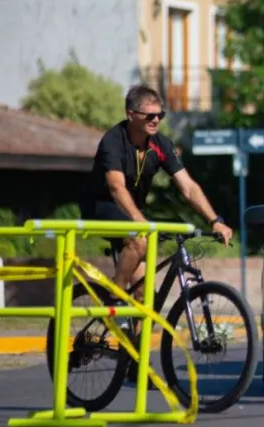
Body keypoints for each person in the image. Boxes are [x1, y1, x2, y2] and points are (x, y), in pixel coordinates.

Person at [80, 85, 233, 378]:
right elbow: (115, 188)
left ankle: (135, 361)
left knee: (145, 294)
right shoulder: (113, 141)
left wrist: (215, 219)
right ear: (131, 114)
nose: (155, 120)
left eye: (159, 115)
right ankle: (113, 297)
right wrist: (141, 222)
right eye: (149, 115)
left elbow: (187, 186)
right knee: (140, 239)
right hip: (100, 207)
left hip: (130, 214)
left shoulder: (160, 144)